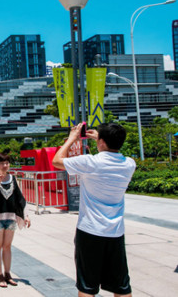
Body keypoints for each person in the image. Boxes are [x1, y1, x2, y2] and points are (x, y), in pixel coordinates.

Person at [52, 123, 136, 297]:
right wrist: (102, 138)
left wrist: (71, 139)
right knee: (121, 286)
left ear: (102, 142)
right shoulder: (129, 164)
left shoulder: (90, 162)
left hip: (90, 230)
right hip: (115, 232)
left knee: (87, 286)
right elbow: (111, 151)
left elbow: (56, 161)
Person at [0, 150, 31, 288]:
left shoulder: (13, 179)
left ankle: (7, 273)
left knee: (7, 247)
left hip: (10, 217)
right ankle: (0, 275)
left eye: (6, 162)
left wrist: (26, 215)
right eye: (2, 163)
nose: (5, 165)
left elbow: (19, 198)